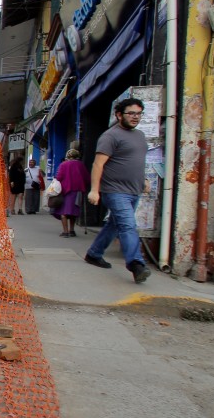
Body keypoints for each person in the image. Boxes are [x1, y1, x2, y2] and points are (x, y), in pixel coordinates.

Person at [85, 98, 152, 283]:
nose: (135, 117)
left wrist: (144, 179)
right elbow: (98, 164)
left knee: (114, 225)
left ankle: (94, 253)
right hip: (115, 191)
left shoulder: (139, 136)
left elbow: (136, 162)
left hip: (134, 190)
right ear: (119, 115)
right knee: (128, 225)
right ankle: (136, 264)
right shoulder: (110, 136)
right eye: (131, 113)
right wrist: (94, 190)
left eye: (138, 113)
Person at [50, 149, 90, 237]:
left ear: (68, 156)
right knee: (73, 211)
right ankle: (72, 230)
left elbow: (59, 177)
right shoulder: (81, 165)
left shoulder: (64, 164)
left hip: (66, 190)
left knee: (64, 212)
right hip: (78, 191)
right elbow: (87, 178)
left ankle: (65, 231)